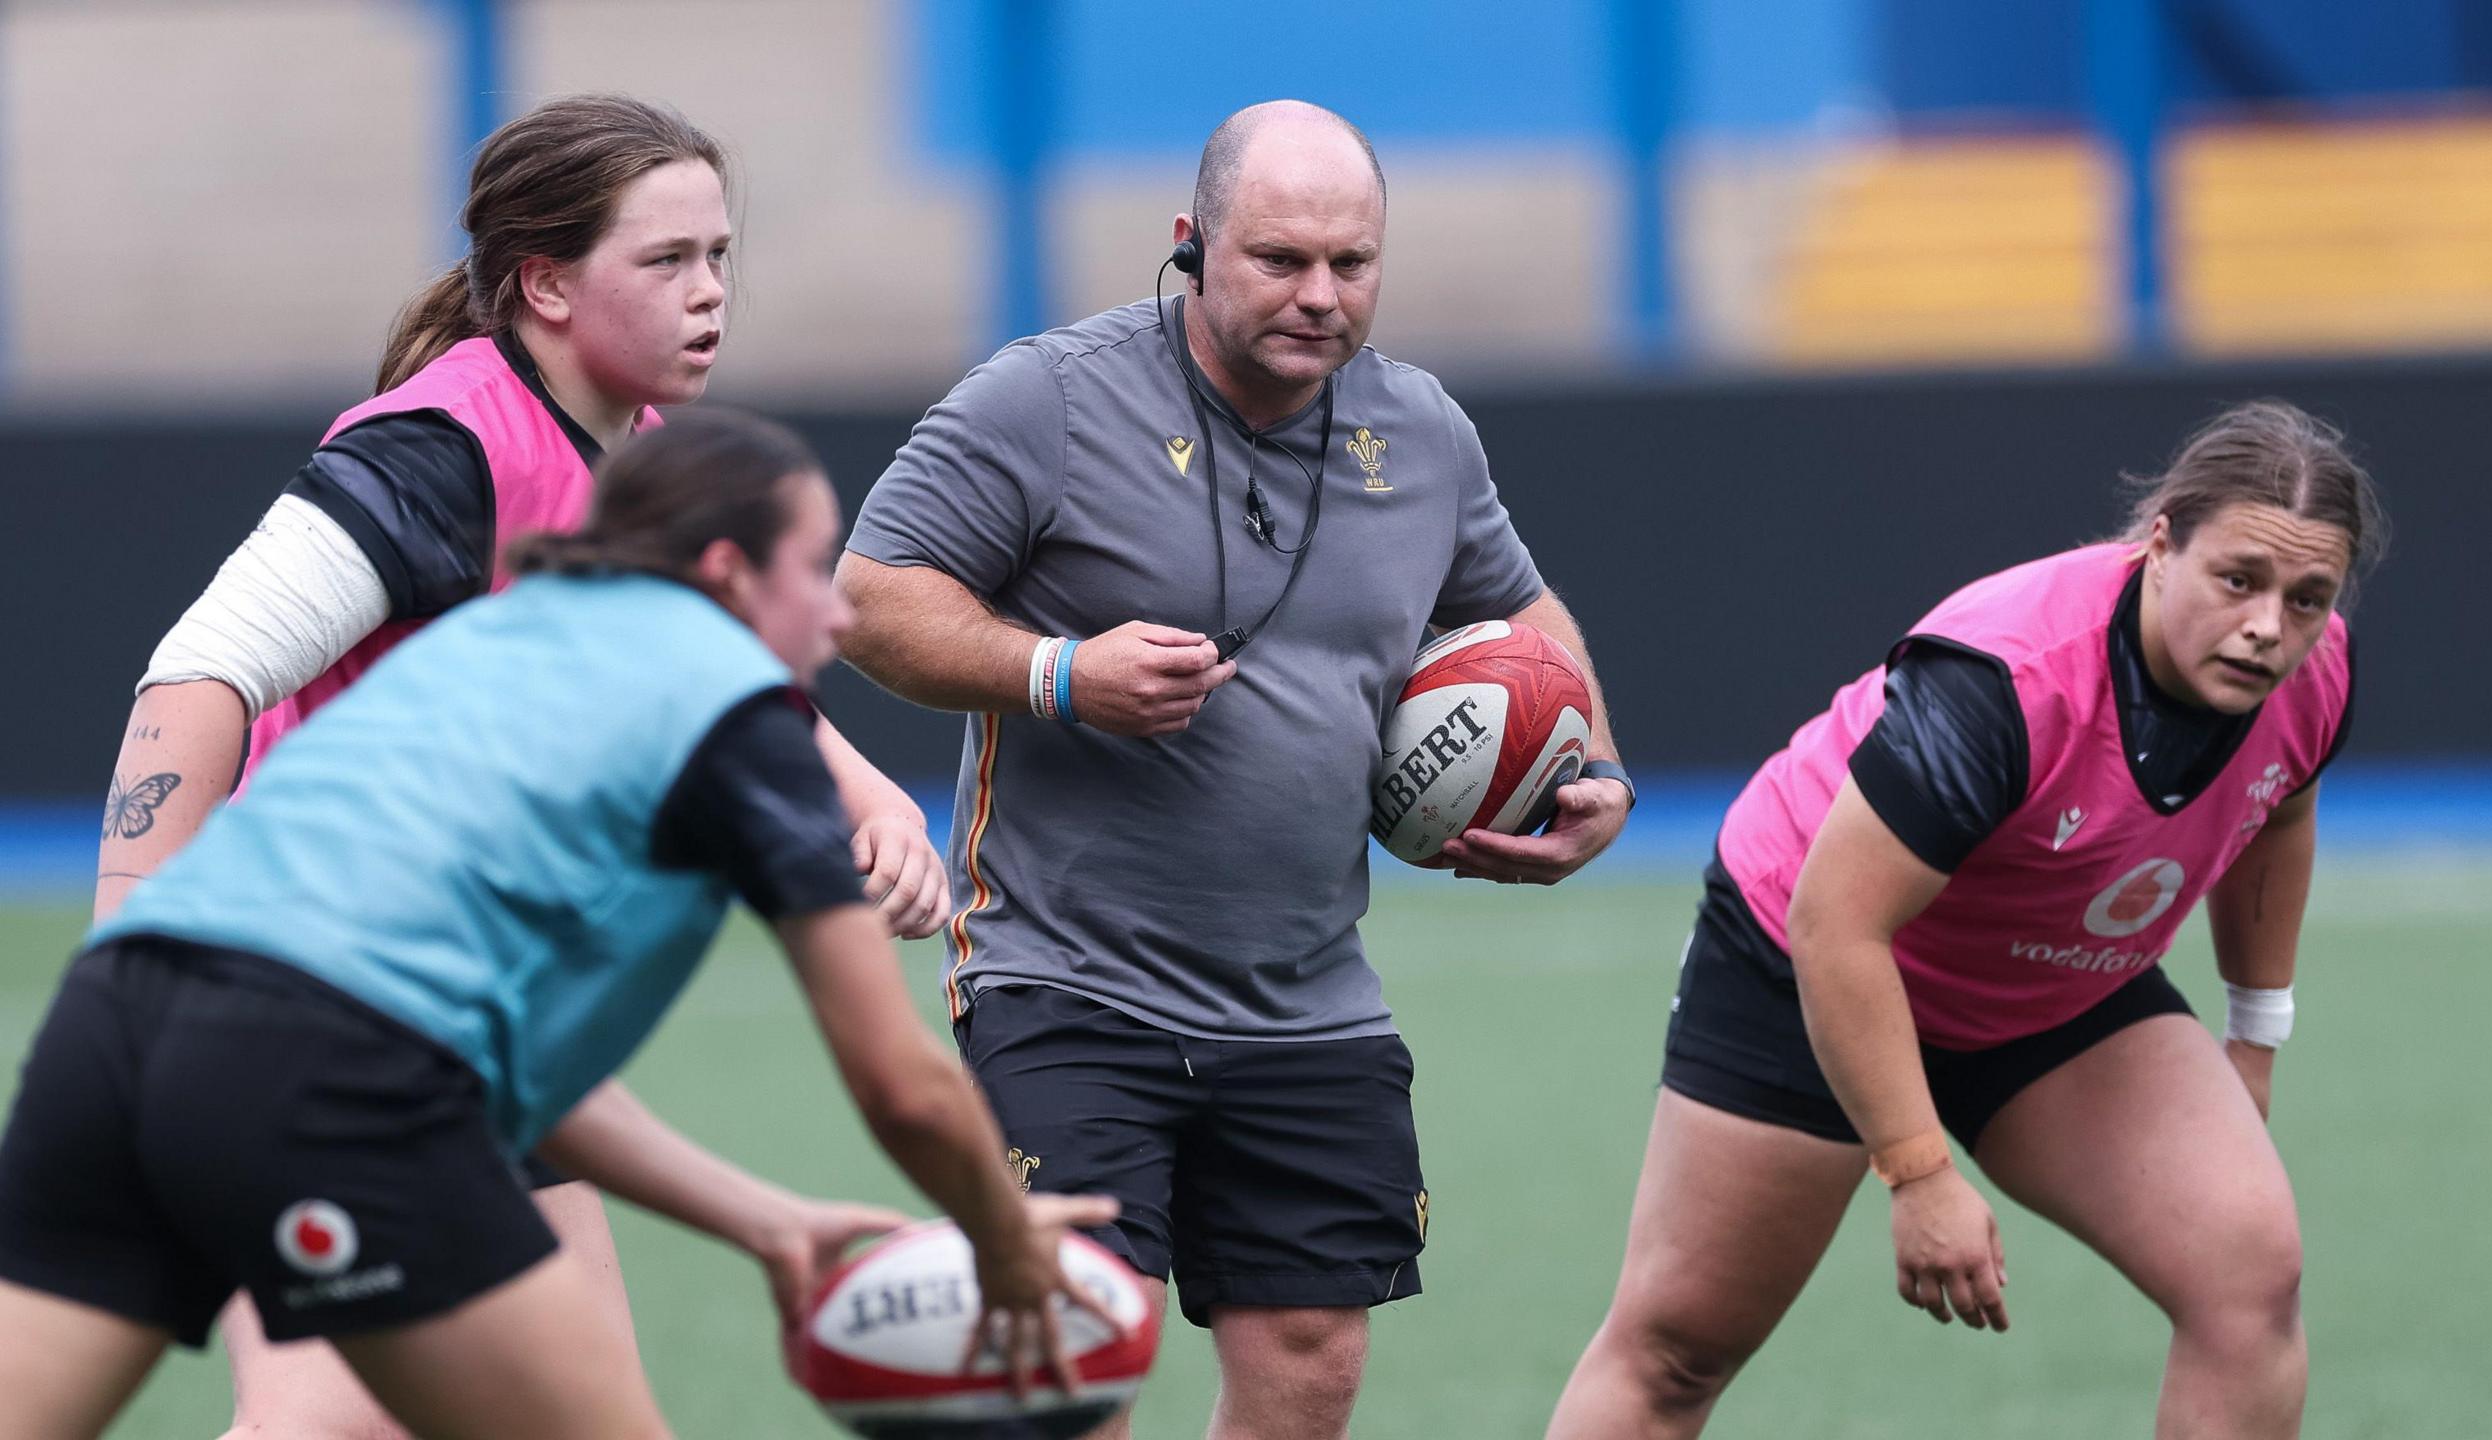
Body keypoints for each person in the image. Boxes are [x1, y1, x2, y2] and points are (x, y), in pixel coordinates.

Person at [87, 94, 948, 1437]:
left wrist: (869, 792)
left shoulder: (639, 462)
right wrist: (129, 961)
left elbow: (712, 659)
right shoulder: (442, 448)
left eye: (719, 256)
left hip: (464, 1017)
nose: (710, 293)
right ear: (545, 284)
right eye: (667, 261)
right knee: (327, 1425)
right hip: (298, 1006)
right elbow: (197, 672)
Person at [0, 409, 1116, 1440]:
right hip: (329, 1075)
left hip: (115, 1025)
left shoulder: (494, 645)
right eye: (812, 569)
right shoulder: (733, 715)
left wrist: (756, 1217)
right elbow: (901, 1086)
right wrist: (1004, 1238)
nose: (837, 611)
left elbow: (509, 1068)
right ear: (727, 575)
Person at [834, 99, 1635, 1440]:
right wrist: (1061, 675)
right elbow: (866, 600)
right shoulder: (1049, 398)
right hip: (1066, 976)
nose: (1320, 294)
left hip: (1310, 997)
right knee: (1071, 1356)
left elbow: (1522, 615)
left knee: (1313, 1359)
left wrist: (1593, 768)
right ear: (1193, 243)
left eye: (1352, 263)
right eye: (1280, 259)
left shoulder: (1422, 430)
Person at [1545, 400, 2388, 1440]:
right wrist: (1918, 1170)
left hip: (2049, 982)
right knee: (1678, 1351)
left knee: (2250, 1280)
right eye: (2238, 579)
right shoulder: (2005, 682)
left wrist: (2254, 1036)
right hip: (1807, 955)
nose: (2269, 626)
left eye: (2307, 598)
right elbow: (1837, 927)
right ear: (2162, 543)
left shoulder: (2314, 672)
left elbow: (2275, 809)